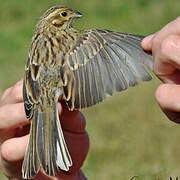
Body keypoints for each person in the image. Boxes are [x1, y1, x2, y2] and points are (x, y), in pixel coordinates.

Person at [1, 16, 180, 179]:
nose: (72, 16)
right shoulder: (83, 41)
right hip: (56, 96)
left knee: (45, 118)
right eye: (64, 15)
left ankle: (42, 153)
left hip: (36, 96)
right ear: (54, 21)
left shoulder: (36, 44)